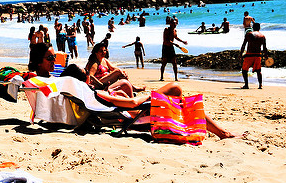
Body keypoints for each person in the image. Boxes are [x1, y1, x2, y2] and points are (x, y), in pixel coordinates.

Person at [95, 82, 238, 140]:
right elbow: (133, 103)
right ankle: (223, 133)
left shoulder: (98, 93)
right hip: (139, 114)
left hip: (137, 112)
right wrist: (147, 97)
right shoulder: (100, 94)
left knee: (185, 104)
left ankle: (222, 133)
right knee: (176, 89)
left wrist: (120, 94)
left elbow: (124, 104)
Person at [240, 22, 268, 89]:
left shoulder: (249, 34)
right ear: (259, 28)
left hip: (249, 55)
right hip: (258, 55)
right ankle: (260, 85)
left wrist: (241, 54)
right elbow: (264, 48)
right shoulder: (262, 36)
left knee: (244, 70)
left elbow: (244, 45)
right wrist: (265, 55)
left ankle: (246, 85)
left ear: (252, 27)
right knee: (258, 71)